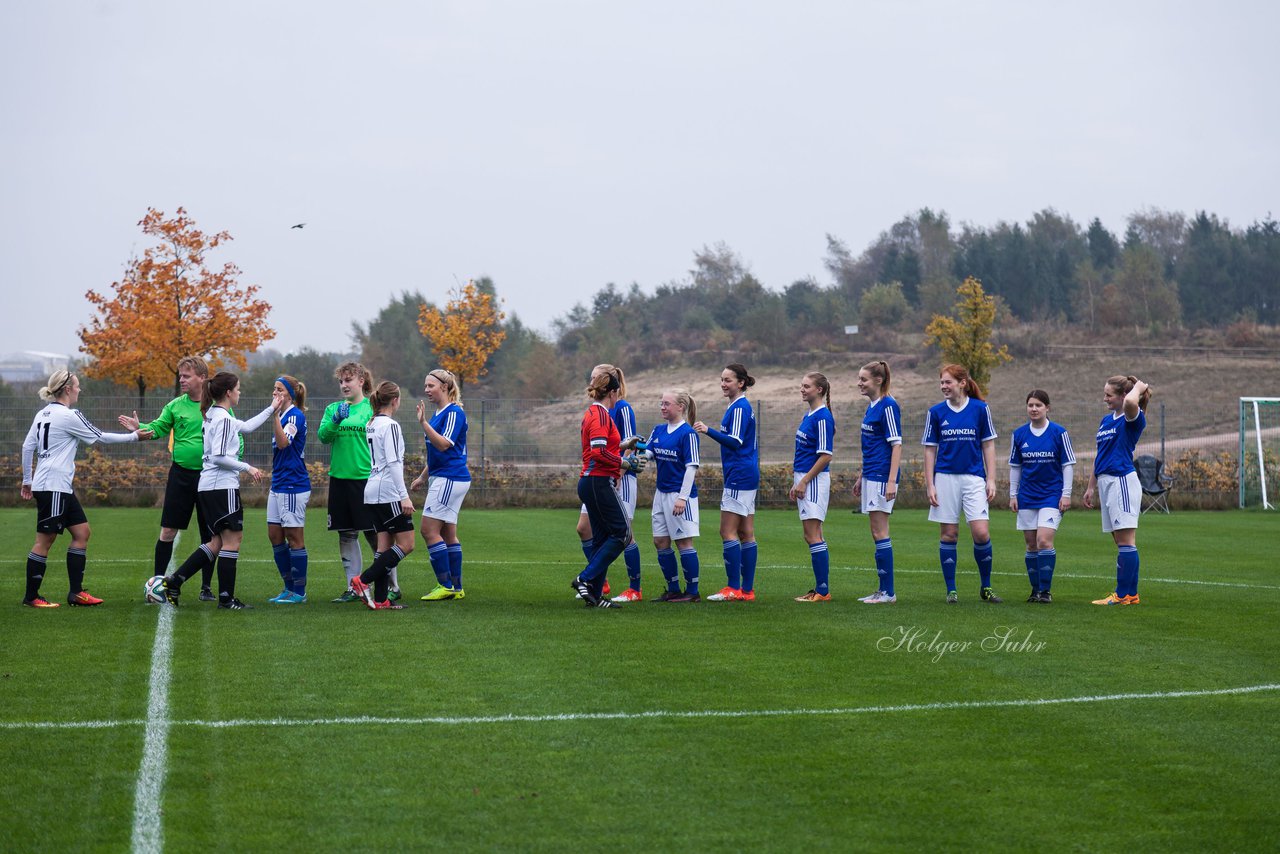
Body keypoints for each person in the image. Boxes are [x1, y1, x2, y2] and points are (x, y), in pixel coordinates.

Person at [20, 370, 148, 607]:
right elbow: (100, 437)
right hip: (53, 485)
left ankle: (76, 593)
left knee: (81, 533)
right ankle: (31, 597)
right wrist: (134, 437)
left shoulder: (43, 413)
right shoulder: (70, 415)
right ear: (67, 389)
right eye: (77, 386)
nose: (79, 390)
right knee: (44, 540)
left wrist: (28, 480)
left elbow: (28, 447)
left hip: (56, 486)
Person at [159, 372, 280, 609]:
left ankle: (174, 581)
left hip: (209, 486)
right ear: (228, 392)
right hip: (221, 486)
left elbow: (246, 427)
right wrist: (248, 467)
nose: (240, 392)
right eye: (238, 388)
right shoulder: (222, 418)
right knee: (232, 540)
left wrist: (271, 408)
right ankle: (226, 598)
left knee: (216, 542)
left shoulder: (214, 414)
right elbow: (219, 457)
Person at [119, 355, 224, 600]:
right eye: (181, 376)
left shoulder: (217, 407)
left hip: (211, 477)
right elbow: (157, 428)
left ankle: (206, 588)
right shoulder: (176, 405)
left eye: (186, 376)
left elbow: (234, 435)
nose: (182, 380)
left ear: (202, 377)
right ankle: (156, 585)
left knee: (211, 535)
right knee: (168, 531)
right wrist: (140, 426)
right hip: (181, 476)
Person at [922, 364, 1002, 604]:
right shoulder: (935, 412)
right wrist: (930, 485)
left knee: (981, 532)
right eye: (941, 383)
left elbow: (988, 445)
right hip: (944, 478)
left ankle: (986, 587)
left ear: (962, 383)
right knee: (949, 534)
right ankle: (951, 590)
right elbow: (929, 450)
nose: (944, 387)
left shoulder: (980, 409)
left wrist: (991, 479)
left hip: (974, 478)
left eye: (948, 382)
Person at [569, 366, 642, 608]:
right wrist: (625, 461)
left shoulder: (594, 413)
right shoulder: (601, 415)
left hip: (592, 482)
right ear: (612, 392)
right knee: (623, 534)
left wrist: (623, 444)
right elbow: (599, 453)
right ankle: (585, 579)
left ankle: (595, 596)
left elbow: (600, 448)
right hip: (598, 482)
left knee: (601, 540)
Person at [693, 364, 759, 602]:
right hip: (744, 474)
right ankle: (747, 591)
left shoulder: (740, 407)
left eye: (728, 380)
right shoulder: (736, 406)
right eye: (721, 379)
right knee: (745, 533)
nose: (723, 384)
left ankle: (733, 588)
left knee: (727, 531)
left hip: (740, 475)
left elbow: (735, 441)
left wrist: (707, 429)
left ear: (740, 383)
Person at [1084, 375, 1152, 605]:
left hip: (1121, 480)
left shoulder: (1132, 417)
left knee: (1126, 541)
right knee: (1120, 540)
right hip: (1106, 482)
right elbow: (1100, 455)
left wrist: (1140, 388)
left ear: (1123, 396)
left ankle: (1123, 594)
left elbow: (1132, 404)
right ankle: (1130, 594)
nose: (1105, 398)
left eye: (1109, 395)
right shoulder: (1106, 421)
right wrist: (1091, 487)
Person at [317, 362, 381, 603]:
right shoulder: (333, 408)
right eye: (341, 381)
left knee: (374, 535)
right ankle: (353, 587)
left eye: (348, 380)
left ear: (361, 381)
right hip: (339, 479)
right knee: (346, 535)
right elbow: (323, 437)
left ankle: (389, 584)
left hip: (365, 479)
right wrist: (334, 420)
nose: (344, 385)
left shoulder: (371, 408)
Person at [350, 382, 415, 610]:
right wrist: (404, 496)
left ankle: (380, 600)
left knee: (383, 547)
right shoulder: (391, 426)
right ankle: (362, 581)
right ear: (395, 400)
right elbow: (394, 462)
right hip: (388, 492)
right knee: (407, 544)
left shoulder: (372, 423)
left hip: (372, 491)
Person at [1008, 389, 1076, 603]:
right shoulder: (1019, 434)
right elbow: (1015, 467)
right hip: (1027, 495)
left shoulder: (1059, 433)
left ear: (1048, 408)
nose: (1034, 409)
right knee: (1031, 544)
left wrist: (1066, 494)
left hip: (1051, 495)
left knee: (1044, 540)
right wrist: (1013, 494)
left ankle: (1045, 591)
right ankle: (1035, 590)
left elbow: (1067, 466)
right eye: (1030, 405)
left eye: (1038, 405)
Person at [410, 369, 472, 602]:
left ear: (445, 387)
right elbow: (437, 453)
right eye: (425, 386)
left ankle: (445, 585)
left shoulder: (454, 412)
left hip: (450, 478)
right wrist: (423, 477)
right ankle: (456, 588)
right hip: (443, 476)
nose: (426, 390)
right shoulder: (440, 413)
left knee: (428, 530)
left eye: (431, 386)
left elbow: (445, 445)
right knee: (447, 534)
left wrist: (424, 424)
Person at [644, 389, 703, 602]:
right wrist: (633, 448)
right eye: (661, 403)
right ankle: (673, 589)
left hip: (679, 495)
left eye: (667, 403)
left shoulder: (687, 434)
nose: (662, 407)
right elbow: (647, 455)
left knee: (684, 543)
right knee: (660, 541)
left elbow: (691, 468)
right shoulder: (658, 430)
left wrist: (682, 498)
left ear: (680, 407)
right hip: (661, 494)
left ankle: (693, 592)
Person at [852, 361, 903, 605]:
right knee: (876, 532)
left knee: (880, 531)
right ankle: (883, 590)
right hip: (872, 475)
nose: (859, 383)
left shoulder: (888, 406)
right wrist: (862, 475)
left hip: (883, 476)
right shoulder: (871, 407)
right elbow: (872, 446)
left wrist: (891, 481)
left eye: (864, 379)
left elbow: (896, 445)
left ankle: (889, 592)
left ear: (879, 380)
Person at [790, 372, 835, 602]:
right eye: (802, 385)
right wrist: (797, 480)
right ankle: (821, 588)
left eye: (806, 386)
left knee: (812, 535)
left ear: (819, 390)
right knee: (814, 534)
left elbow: (826, 455)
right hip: (805, 479)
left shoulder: (823, 417)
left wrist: (805, 480)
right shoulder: (809, 414)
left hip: (814, 482)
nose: (802, 389)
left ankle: (823, 591)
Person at [266, 375, 311, 604]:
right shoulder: (282, 414)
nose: (275, 393)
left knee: (294, 536)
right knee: (274, 534)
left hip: (293, 484)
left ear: (290, 395)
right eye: (274, 389)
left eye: (280, 390)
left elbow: (284, 443)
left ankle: (299, 592)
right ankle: (288, 587)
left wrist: (274, 416)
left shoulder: (295, 415)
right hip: (279, 482)